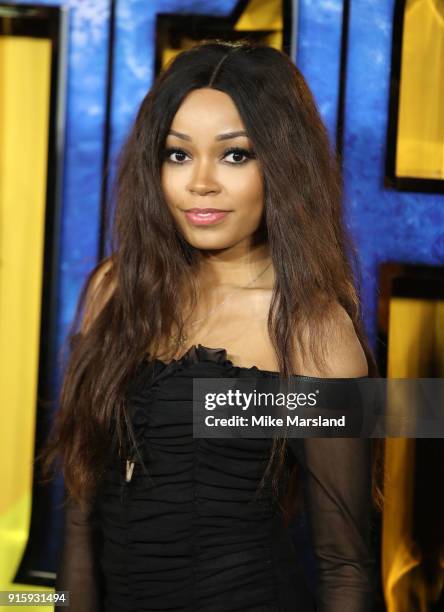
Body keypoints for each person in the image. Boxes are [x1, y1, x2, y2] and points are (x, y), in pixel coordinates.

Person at [41, 40, 383, 612]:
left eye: (234, 155)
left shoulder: (311, 331)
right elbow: (80, 521)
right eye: (178, 154)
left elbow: (346, 567)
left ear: (283, 165)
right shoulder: (113, 290)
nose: (201, 183)